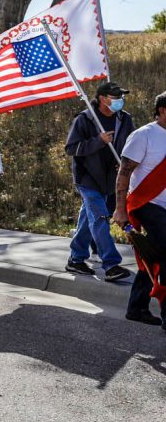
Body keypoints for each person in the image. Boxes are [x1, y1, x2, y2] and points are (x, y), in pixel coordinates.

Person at [64, 82, 134, 281]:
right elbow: (71, 148)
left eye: (121, 96)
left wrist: (124, 163)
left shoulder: (124, 118)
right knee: (100, 217)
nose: (120, 100)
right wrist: (98, 141)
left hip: (111, 179)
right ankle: (111, 264)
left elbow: (131, 144)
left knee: (89, 217)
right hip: (88, 178)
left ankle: (76, 259)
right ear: (103, 98)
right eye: (116, 97)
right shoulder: (85, 119)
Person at [113, 90, 166, 325]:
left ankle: (137, 307)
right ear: (162, 111)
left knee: (153, 255)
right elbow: (123, 174)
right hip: (147, 204)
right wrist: (120, 208)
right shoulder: (144, 135)